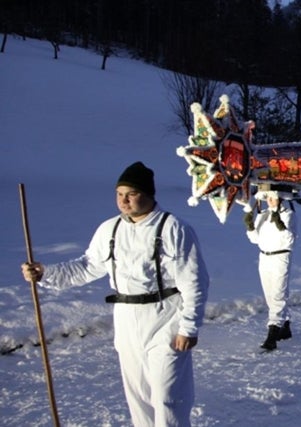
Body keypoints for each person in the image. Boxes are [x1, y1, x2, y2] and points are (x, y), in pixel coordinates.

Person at [20, 161, 210, 427]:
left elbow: (194, 281)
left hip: (166, 318)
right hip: (127, 320)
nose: (124, 200)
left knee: (167, 396)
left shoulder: (173, 228)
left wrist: (188, 326)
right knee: (138, 395)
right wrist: (45, 273)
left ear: (148, 194)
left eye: (131, 194)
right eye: (119, 194)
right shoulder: (110, 229)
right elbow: (86, 267)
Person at [244, 190, 297, 350]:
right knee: (269, 294)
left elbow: (289, 239)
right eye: (268, 198)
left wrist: (280, 224)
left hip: (280, 257)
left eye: (273, 198)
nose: (270, 201)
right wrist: (250, 226)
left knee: (278, 294)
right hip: (264, 257)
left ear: (281, 199)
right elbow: (255, 239)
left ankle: (272, 335)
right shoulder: (263, 215)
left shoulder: (288, 214)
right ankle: (285, 326)